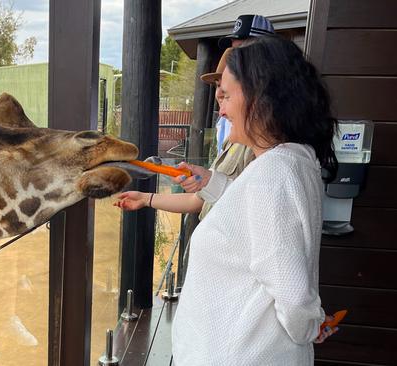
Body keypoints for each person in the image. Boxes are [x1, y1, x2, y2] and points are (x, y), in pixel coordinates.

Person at [116, 37, 338, 364]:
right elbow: (252, 217)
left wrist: (309, 325)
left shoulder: (273, 175)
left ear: (263, 100)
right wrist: (210, 182)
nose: (220, 110)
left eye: (227, 96)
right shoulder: (293, 162)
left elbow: (291, 293)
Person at [174, 14, 276, 219]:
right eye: (218, 86)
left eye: (245, 51)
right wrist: (208, 180)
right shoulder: (232, 127)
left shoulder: (278, 152)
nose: (219, 95)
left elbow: (257, 212)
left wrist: (209, 182)